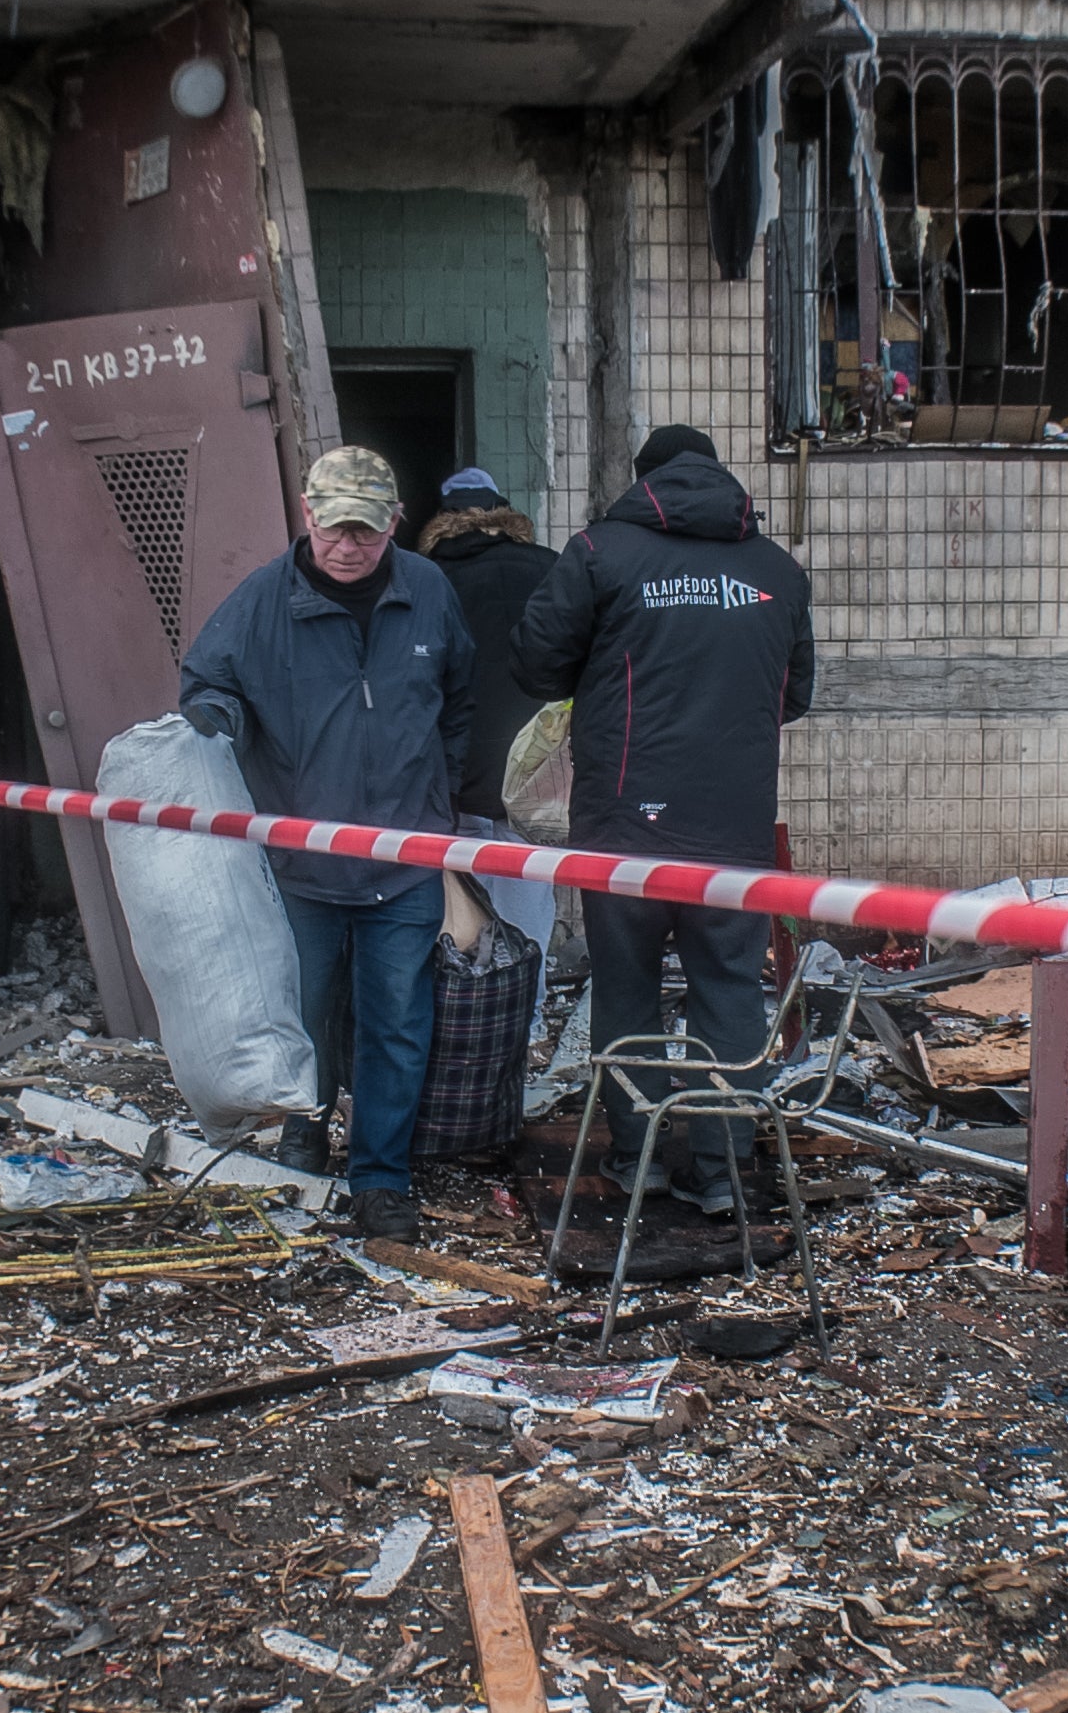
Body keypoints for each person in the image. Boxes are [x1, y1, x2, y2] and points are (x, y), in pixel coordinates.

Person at [512, 424, 815, 1214]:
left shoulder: (599, 553)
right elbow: (795, 694)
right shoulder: (776, 572)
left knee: (625, 985)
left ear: (642, 480)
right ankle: (720, 1172)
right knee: (727, 988)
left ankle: (637, 1155)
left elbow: (535, 661)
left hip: (623, 823)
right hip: (733, 825)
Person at [177, 446, 473, 1243]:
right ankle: (304, 1135)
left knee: (397, 1024)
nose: (348, 545)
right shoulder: (261, 602)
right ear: (307, 516)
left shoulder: (428, 591)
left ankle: (380, 1176)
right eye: (334, 528)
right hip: (301, 866)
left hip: (404, 861)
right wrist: (220, 723)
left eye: (365, 533)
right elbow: (206, 682)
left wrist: (444, 804)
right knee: (302, 1016)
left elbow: (457, 702)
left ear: (393, 526)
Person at [417, 468, 563, 997]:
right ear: (504, 513)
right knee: (528, 886)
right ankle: (529, 1004)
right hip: (536, 767)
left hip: (457, 769)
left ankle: (473, 1003)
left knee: (463, 893)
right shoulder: (550, 568)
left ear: (445, 520)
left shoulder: (425, 578)